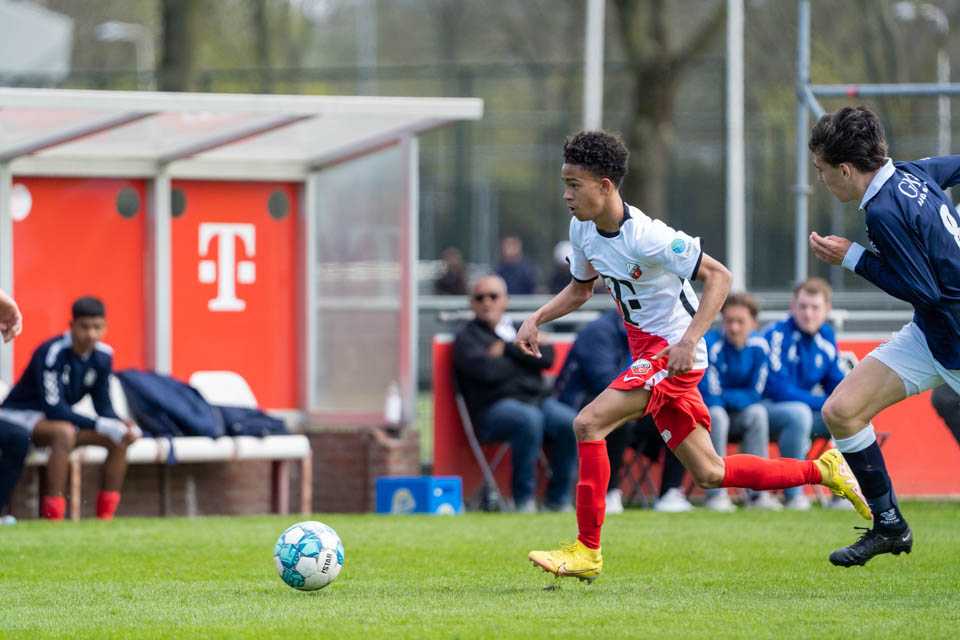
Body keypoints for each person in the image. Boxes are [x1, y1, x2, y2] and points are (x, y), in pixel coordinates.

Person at [521, 130, 869, 583]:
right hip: (649, 352)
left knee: (589, 422)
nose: (566, 195)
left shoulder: (650, 237)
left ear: (605, 185)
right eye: (564, 183)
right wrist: (537, 318)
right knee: (708, 472)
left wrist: (687, 341)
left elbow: (719, 277)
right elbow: (581, 288)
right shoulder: (582, 230)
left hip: (674, 353)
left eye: (574, 184)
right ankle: (823, 468)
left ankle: (587, 549)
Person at [807, 105, 960, 565]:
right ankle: (889, 525)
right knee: (842, 411)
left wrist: (853, 257)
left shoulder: (883, 211)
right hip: (933, 335)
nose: (820, 179)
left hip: (951, 335)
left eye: (821, 170)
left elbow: (923, 290)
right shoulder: (914, 172)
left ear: (846, 169)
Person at [0, 297, 141, 522]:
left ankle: (105, 518)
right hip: (17, 417)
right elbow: (55, 409)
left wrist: (120, 424)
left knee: (119, 438)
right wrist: (103, 425)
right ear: (72, 325)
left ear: (105, 327)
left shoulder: (104, 356)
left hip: (52, 421)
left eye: (97, 327)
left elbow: (103, 405)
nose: (91, 334)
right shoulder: (53, 351)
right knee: (63, 432)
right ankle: (53, 517)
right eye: (85, 327)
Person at [452, 274, 577, 513]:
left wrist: (507, 349)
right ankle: (524, 501)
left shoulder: (518, 330)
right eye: (480, 297)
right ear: (472, 303)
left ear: (505, 300)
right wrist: (523, 356)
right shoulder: (466, 338)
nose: (487, 302)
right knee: (528, 419)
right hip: (493, 410)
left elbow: (547, 358)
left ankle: (558, 499)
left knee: (570, 421)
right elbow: (487, 372)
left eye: (493, 296)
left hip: (537, 402)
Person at [555, 309, 692, 514]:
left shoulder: (648, 330)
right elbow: (604, 380)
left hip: (630, 397)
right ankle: (608, 492)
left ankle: (669, 493)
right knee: (618, 417)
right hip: (580, 401)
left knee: (677, 414)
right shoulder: (598, 332)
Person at [762, 278, 848, 511]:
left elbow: (835, 381)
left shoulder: (827, 336)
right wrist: (824, 403)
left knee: (850, 415)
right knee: (799, 413)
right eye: (803, 307)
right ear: (793, 307)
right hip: (768, 409)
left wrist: (847, 404)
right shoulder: (778, 333)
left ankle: (843, 494)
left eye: (815, 307)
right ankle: (793, 495)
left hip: (807, 410)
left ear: (827, 310)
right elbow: (777, 388)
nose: (808, 314)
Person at [699, 292, 779, 512]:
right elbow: (710, 395)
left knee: (758, 413)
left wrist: (728, 396)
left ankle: (758, 494)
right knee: (716, 414)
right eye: (729, 321)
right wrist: (732, 397)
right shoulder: (710, 344)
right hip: (712, 414)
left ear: (753, 323)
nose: (734, 327)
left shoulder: (760, 347)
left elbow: (755, 394)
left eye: (740, 321)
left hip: (738, 412)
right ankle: (716, 495)